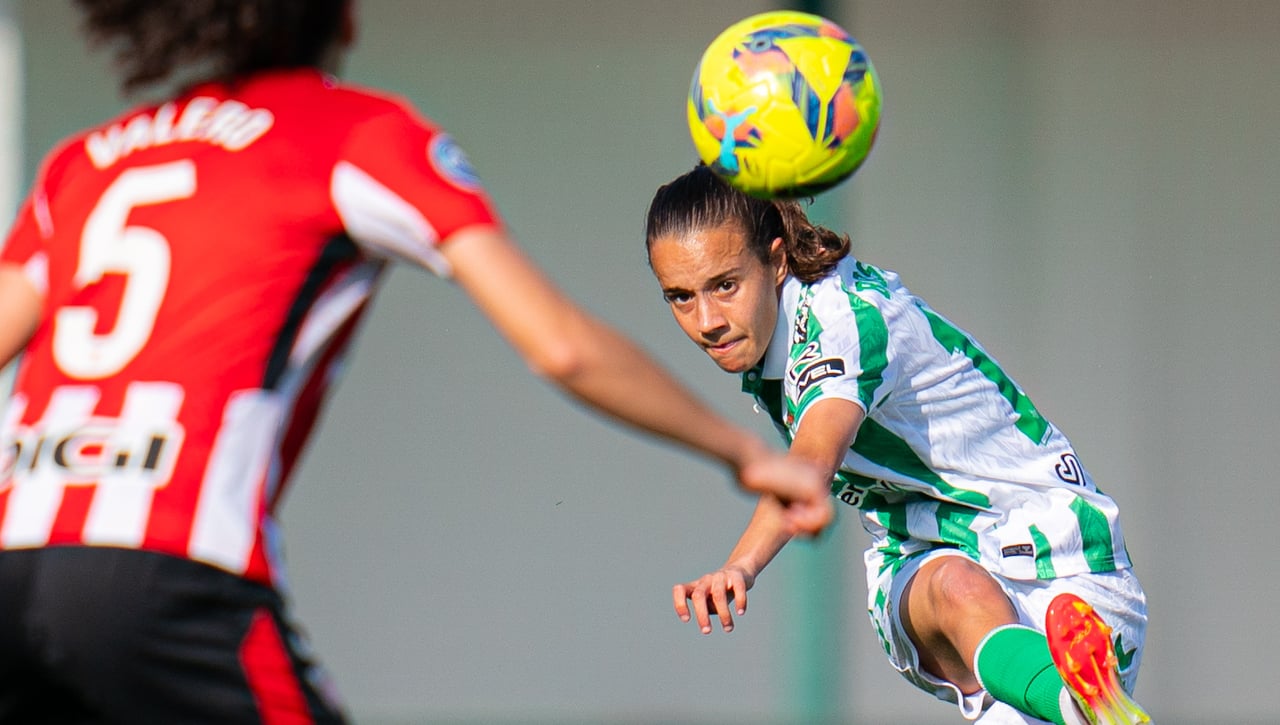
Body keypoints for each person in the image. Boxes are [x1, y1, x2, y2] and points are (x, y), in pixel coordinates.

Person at [0, 3, 835, 722]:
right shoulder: (354, 136)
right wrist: (745, 453)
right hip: (167, 576)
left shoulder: (86, 162)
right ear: (343, 19)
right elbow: (560, 345)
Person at [645, 165, 1152, 725]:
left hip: (1062, 571)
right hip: (935, 562)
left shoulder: (841, 325)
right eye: (680, 297)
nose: (707, 321)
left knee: (959, 587)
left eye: (724, 286)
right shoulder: (778, 328)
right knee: (953, 584)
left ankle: (1073, 698)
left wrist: (740, 567)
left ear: (777, 260)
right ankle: (1073, 702)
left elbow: (809, 465)